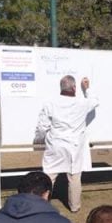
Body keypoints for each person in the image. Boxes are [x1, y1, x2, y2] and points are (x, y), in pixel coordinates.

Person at [35, 75, 99, 213]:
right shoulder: (82, 103)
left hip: (55, 145)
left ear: (61, 87)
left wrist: (39, 139)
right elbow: (95, 101)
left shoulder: (50, 103)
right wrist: (87, 88)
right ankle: (75, 207)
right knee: (74, 177)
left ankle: (41, 206)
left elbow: (42, 127)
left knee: (48, 177)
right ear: (74, 87)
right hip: (74, 147)